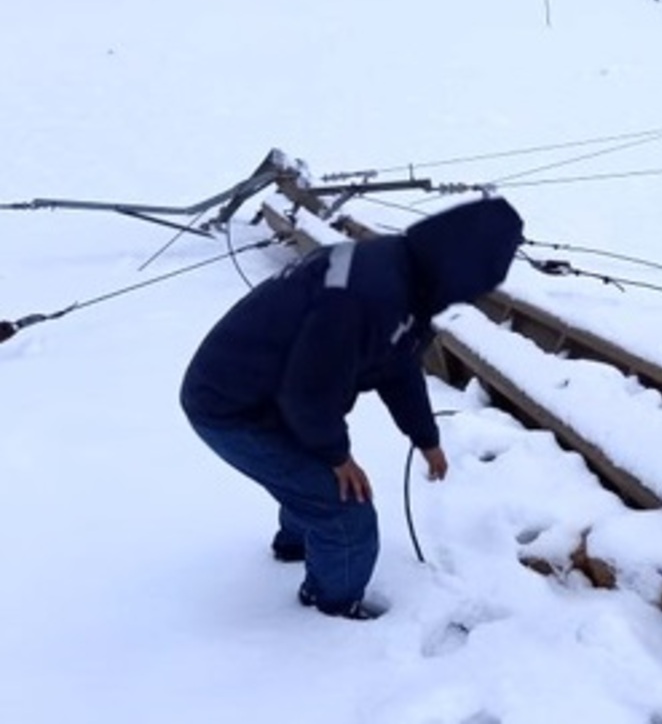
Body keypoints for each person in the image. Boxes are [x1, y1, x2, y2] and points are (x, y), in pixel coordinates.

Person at [180, 197, 524, 620]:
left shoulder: (404, 274)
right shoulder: (370, 295)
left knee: (314, 477)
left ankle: (297, 545)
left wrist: (425, 437)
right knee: (345, 510)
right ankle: (332, 606)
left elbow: (397, 363)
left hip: (266, 394)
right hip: (231, 406)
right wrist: (337, 456)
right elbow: (307, 395)